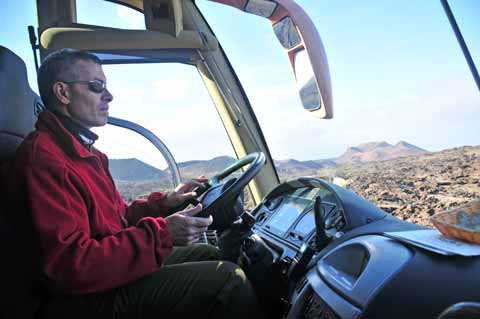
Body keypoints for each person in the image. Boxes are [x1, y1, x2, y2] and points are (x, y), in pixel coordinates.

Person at [13, 48, 263, 318]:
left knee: (205, 253)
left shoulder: (85, 154)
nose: (108, 96)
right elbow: (69, 266)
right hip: (78, 302)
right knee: (228, 282)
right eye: (97, 87)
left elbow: (118, 218)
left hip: (100, 281)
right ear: (63, 93)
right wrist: (163, 234)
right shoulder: (45, 160)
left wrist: (166, 203)